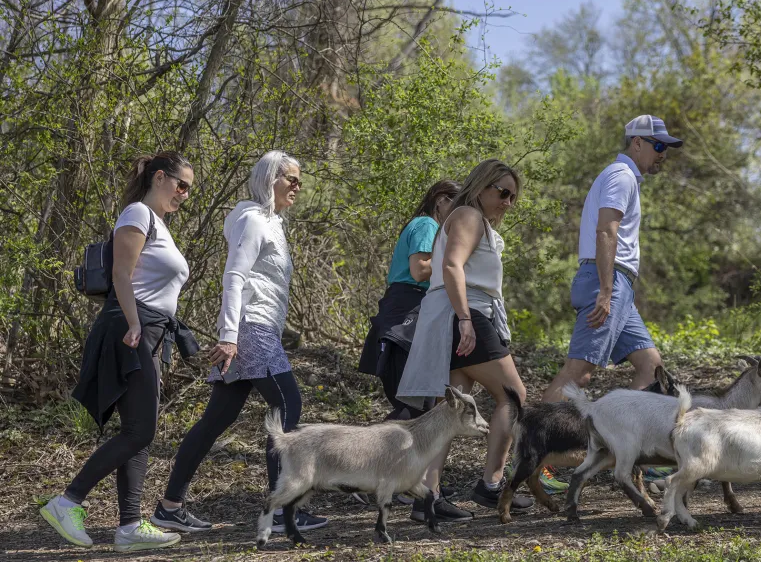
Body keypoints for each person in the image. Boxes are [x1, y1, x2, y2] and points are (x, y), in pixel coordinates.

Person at [150, 151, 327, 534]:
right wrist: (229, 337)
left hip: (256, 328)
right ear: (268, 179)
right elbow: (235, 277)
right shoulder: (251, 219)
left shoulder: (271, 222)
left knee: (217, 418)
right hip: (250, 329)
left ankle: (169, 506)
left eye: (299, 180)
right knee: (287, 405)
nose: (297, 185)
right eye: (290, 179)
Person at [41, 152, 198, 552]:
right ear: (159, 177)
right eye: (181, 184)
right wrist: (133, 323)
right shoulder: (137, 214)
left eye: (190, 190)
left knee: (138, 431)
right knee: (140, 430)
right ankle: (67, 501)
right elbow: (120, 275)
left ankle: (129, 526)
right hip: (132, 327)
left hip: (151, 331)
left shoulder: (160, 223)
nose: (184, 194)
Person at [538, 115, 682, 487]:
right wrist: (605, 289)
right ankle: (535, 460)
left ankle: (628, 446)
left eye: (666, 147)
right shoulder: (621, 175)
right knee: (578, 373)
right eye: (659, 146)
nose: (663, 154)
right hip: (609, 280)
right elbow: (606, 230)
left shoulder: (626, 177)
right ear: (637, 143)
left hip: (619, 284)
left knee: (650, 366)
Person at [396, 159, 532, 522]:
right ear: (481, 186)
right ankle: (492, 483)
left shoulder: (470, 220)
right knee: (513, 396)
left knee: (450, 412)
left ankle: (428, 497)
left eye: (513, 197)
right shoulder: (469, 217)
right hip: (465, 313)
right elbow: (452, 267)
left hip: (456, 315)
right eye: (502, 192)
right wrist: (466, 320)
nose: (507, 201)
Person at [359, 179, 461, 420]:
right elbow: (420, 270)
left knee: (419, 408)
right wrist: (458, 265)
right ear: (440, 200)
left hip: (406, 310)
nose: (460, 213)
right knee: (414, 409)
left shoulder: (426, 226)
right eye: (457, 205)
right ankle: (368, 453)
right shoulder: (427, 224)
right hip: (407, 311)